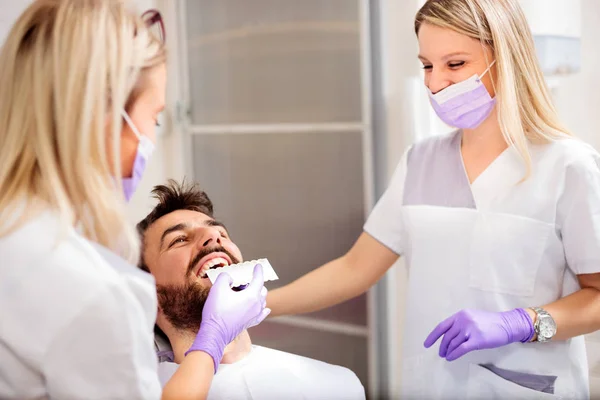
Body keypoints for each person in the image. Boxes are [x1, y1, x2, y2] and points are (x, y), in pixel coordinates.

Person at [267, 0, 600, 398]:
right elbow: (355, 268)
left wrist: (521, 323)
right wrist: (259, 307)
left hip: (528, 387)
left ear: (505, 59)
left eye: (455, 64)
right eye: (427, 65)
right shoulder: (419, 161)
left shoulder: (568, 166)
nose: (435, 83)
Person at [0, 1, 267, 399]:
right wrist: (210, 340)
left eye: (217, 231)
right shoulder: (94, 293)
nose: (211, 240)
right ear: (104, 116)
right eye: (154, 117)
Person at [135, 180, 366, 400]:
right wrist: (212, 339)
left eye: (222, 233)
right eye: (179, 239)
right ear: (148, 293)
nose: (213, 236)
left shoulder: (339, 387)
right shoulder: (136, 391)